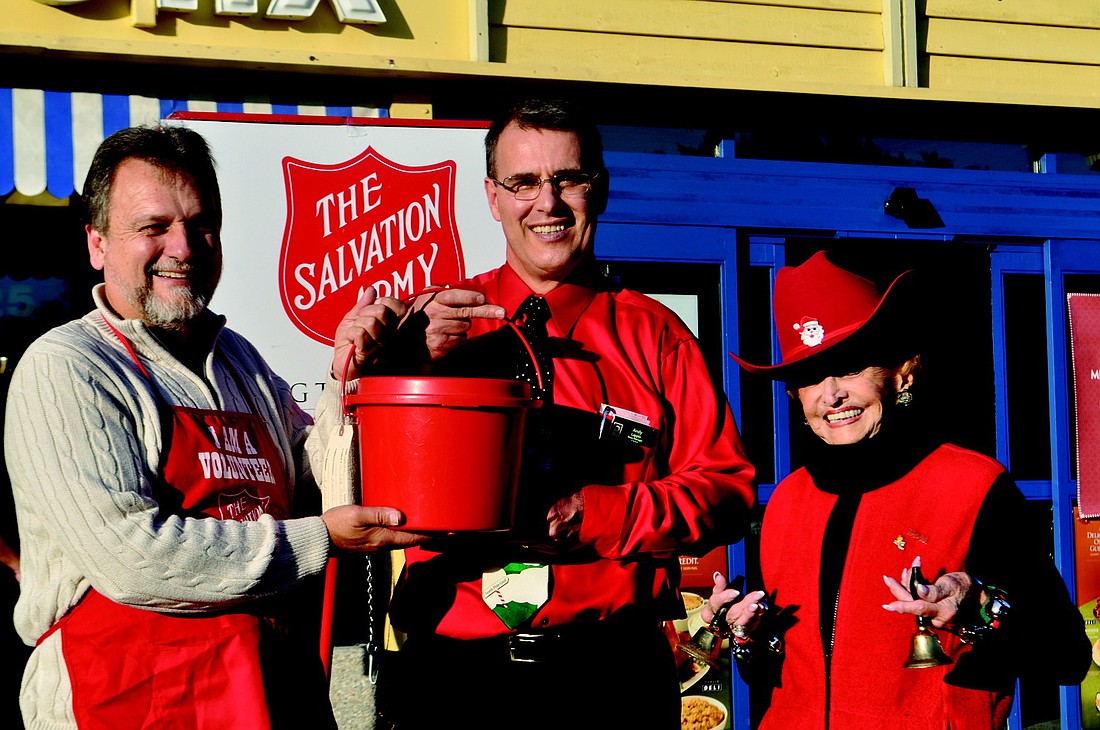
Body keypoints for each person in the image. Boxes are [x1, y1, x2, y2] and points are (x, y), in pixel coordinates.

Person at [4, 124, 427, 730]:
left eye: (201, 225)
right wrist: (319, 540)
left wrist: (353, 378)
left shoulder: (240, 360)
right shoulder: (67, 366)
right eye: (154, 227)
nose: (184, 247)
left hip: (267, 689)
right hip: (128, 699)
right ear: (97, 244)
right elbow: (133, 559)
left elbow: (318, 482)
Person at [367, 98, 757, 729]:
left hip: (607, 677)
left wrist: (597, 513)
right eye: (523, 183)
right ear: (493, 197)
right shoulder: (433, 326)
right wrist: (377, 363)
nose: (546, 204)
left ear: (597, 190)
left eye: (567, 180)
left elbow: (728, 491)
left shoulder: (658, 335)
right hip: (452, 678)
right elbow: (359, 467)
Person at [702, 250, 1091, 729]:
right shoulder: (786, 501)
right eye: (809, 376)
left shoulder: (972, 485)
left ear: (902, 372)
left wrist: (979, 607)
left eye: (849, 367)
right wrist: (751, 633)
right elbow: (771, 675)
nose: (831, 394)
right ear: (792, 395)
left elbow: (1067, 656)